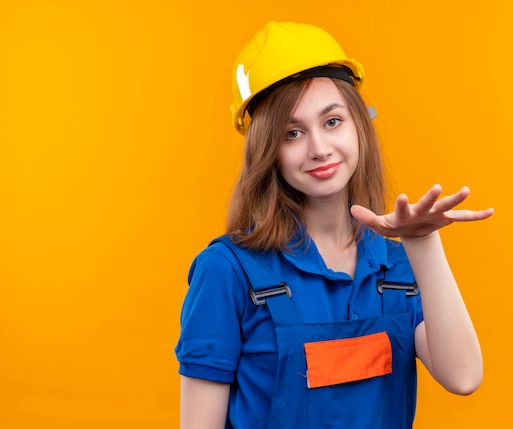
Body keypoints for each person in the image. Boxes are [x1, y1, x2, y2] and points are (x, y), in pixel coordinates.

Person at [175, 21, 494, 429]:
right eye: (292, 133)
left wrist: (423, 241)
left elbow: (464, 377)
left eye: (332, 121)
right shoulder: (227, 271)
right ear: (266, 151)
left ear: (359, 125)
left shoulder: (396, 263)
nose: (320, 148)